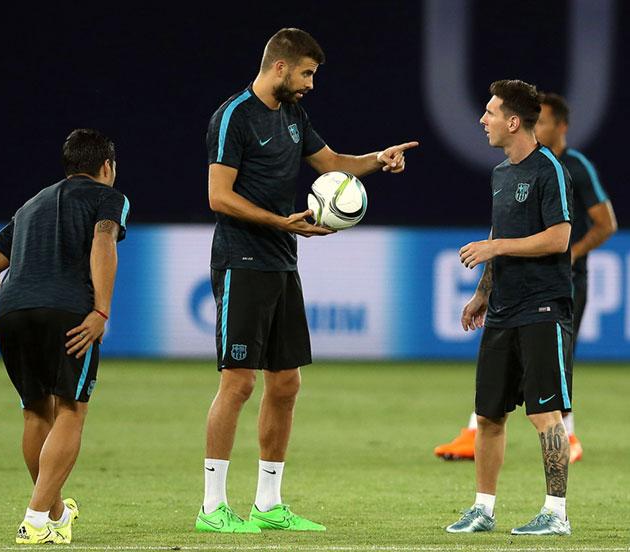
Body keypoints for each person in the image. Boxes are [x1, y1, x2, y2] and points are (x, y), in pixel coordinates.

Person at [198, 27, 418, 533]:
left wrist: (378, 161)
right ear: (280, 66)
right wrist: (281, 222)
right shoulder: (234, 116)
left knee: (287, 383)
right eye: (306, 74)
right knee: (238, 383)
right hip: (240, 260)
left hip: (281, 262)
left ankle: (268, 504)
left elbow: (335, 164)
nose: (310, 84)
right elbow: (218, 196)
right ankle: (212, 509)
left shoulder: (293, 116)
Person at [434, 93, 617, 465]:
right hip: (511, 289)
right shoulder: (507, 169)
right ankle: (477, 435)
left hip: (556, 284)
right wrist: (484, 287)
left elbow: (604, 224)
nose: (483, 120)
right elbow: (498, 229)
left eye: (547, 122)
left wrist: (573, 253)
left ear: (560, 127)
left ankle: (568, 436)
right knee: (496, 393)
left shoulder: (568, 167)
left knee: (555, 369)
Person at [0, 129, 130, 544]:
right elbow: (103, 241)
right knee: (71, 410)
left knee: (35, 411)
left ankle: (55, 512)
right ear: (106, 167)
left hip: (13, 311)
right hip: (66, 312)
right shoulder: (107, 197)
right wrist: (101, 310)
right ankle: (36, 519)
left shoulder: (30, 206)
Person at [445, 80, 573, 535]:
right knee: (488, 415)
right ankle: (483, 509)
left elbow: (559, 238)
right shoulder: (501, 174)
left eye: (491, 112)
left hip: (542, 307)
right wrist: (483, 292)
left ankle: (556, 515)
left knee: (544, 414)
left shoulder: (549, 170)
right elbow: (501, 239)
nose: (483, 119)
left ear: (514, 121)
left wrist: (496, 245)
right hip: (502, 308)